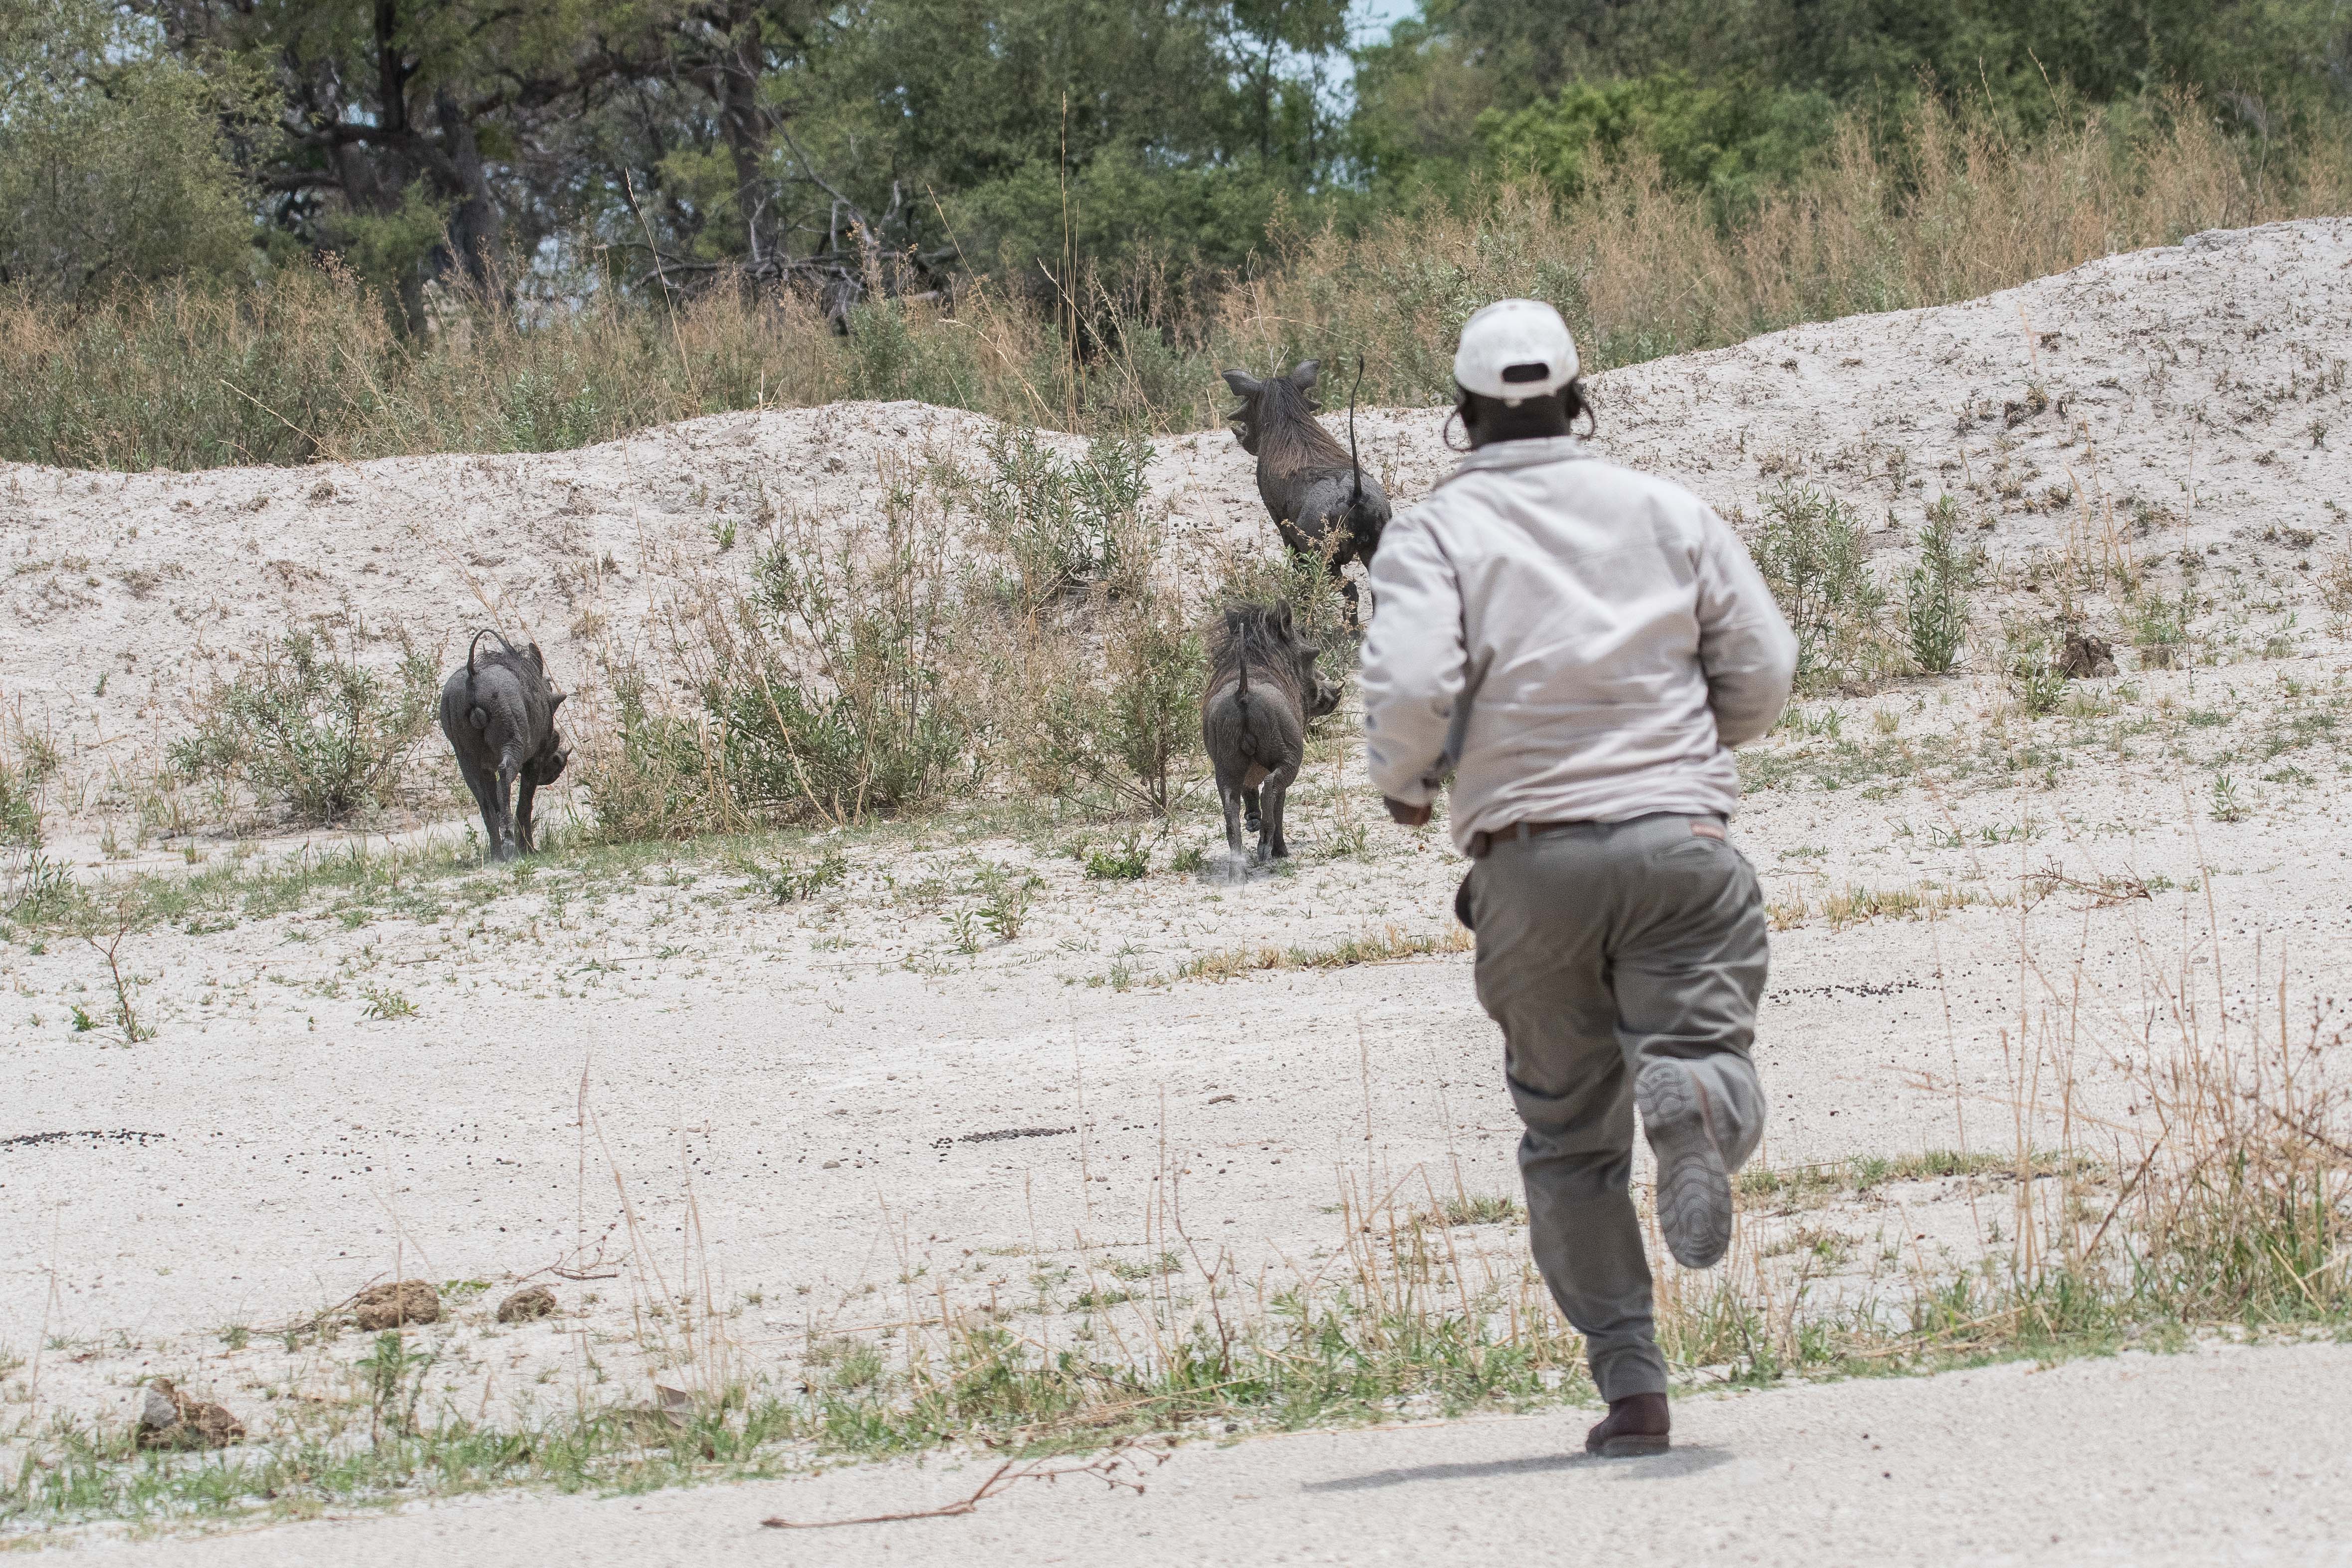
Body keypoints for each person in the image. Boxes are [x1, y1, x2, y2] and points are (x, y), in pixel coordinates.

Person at [1357, 299, 1797, 1457]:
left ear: (1462, 417)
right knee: (1704, 1051)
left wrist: (1407, 780)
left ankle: (1634, 1388)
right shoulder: (1667, 510)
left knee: (1567, 1139)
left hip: (1529, 865)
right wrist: (1697, 751)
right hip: (1678, 852)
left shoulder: (1435, 533)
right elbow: (1763, 665)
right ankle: (1696, 1103)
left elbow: (1409, 687)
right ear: (1580, 396)